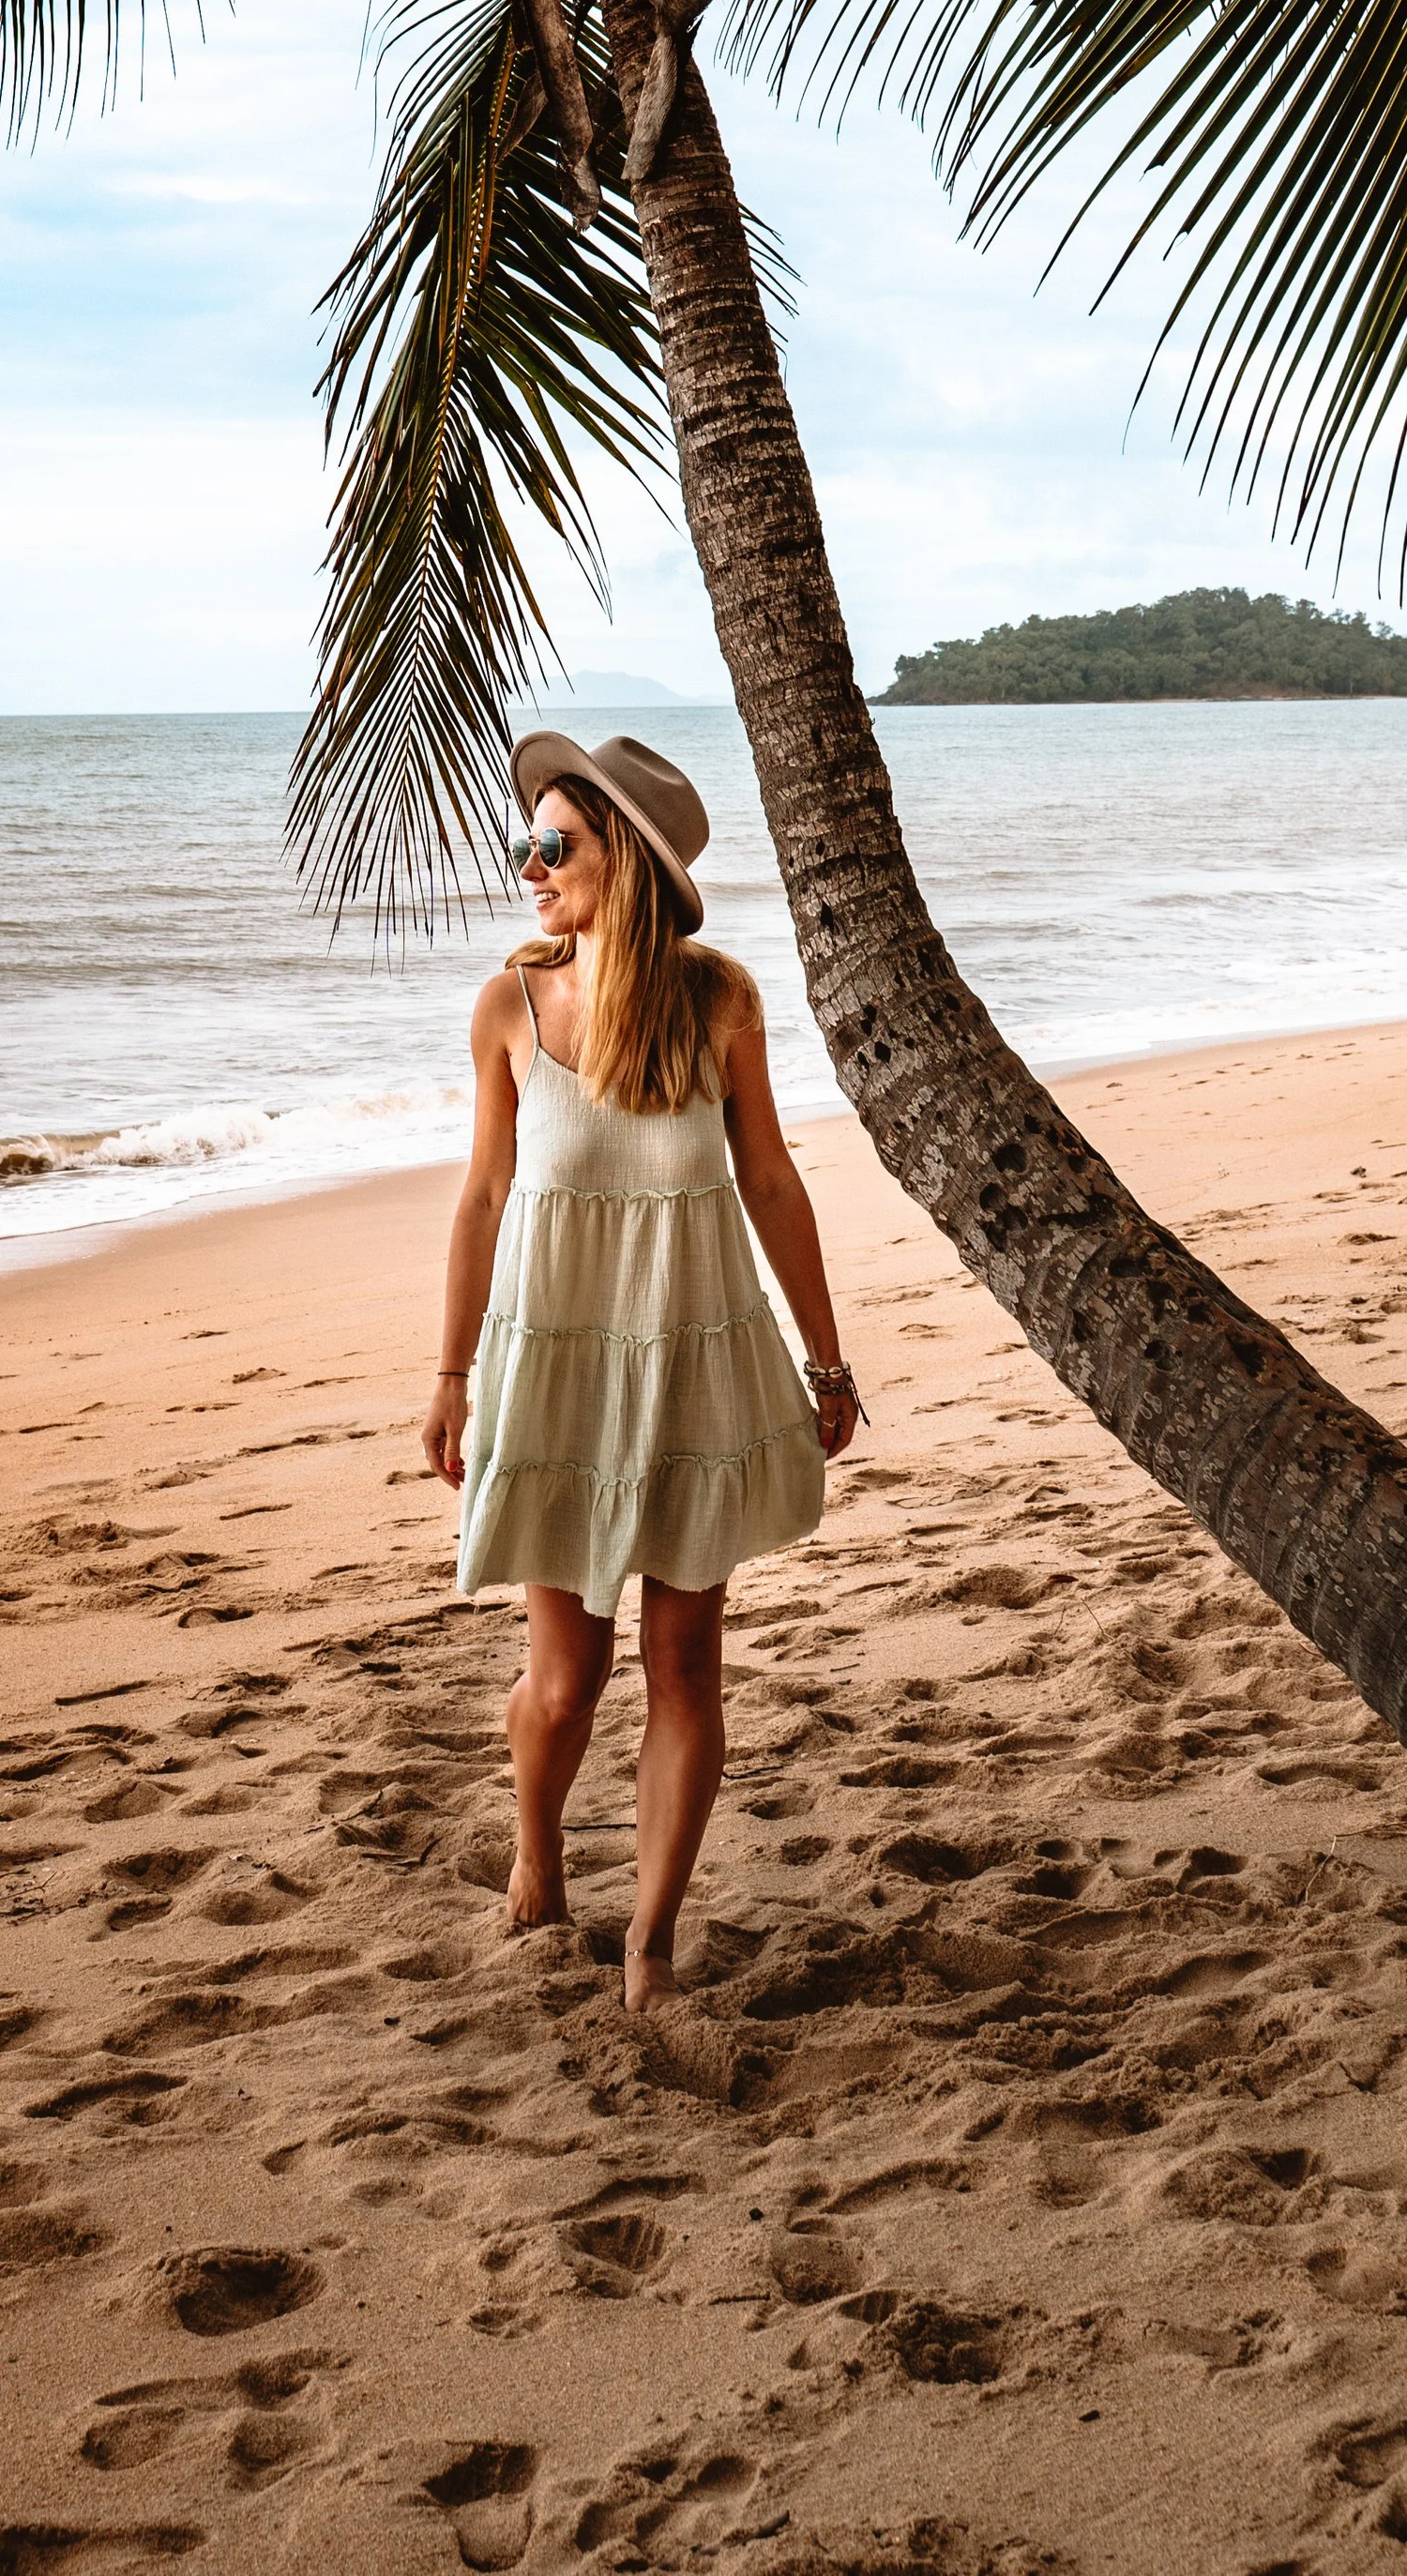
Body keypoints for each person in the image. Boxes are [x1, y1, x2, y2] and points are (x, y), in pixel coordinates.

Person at [421, 730, 862, 2013]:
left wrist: (825, 1356)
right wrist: (449, 1376)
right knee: (564, 1683)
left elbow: (770, 1179)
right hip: (556, 1371)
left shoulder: (719, 998)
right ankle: (539, 1851)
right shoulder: (510, 1003)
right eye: (527, 842)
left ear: (629, 860)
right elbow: (483, 1195)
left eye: (555, 845)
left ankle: (651, 1946)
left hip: (693, 1359)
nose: (530, 865)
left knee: (684, 1668)